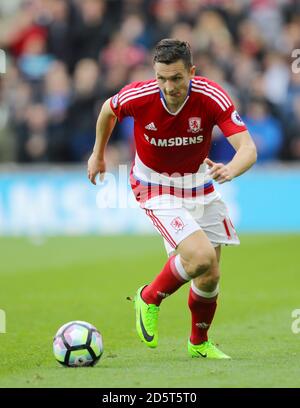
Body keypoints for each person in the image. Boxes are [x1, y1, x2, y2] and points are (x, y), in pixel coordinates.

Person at [87, 39, 257, 359]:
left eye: (176, 78)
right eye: (161, 78)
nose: (168, 86)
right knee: (200, 257)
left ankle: (198, 343)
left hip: (197, 182)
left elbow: (248, 149)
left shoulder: (210, 96)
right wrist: (98, 154)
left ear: (191, 72)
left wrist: (231, 169)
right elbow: (107, 110)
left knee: (210, 275)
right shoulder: (141, 96)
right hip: (154, 184)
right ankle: (149, 297)